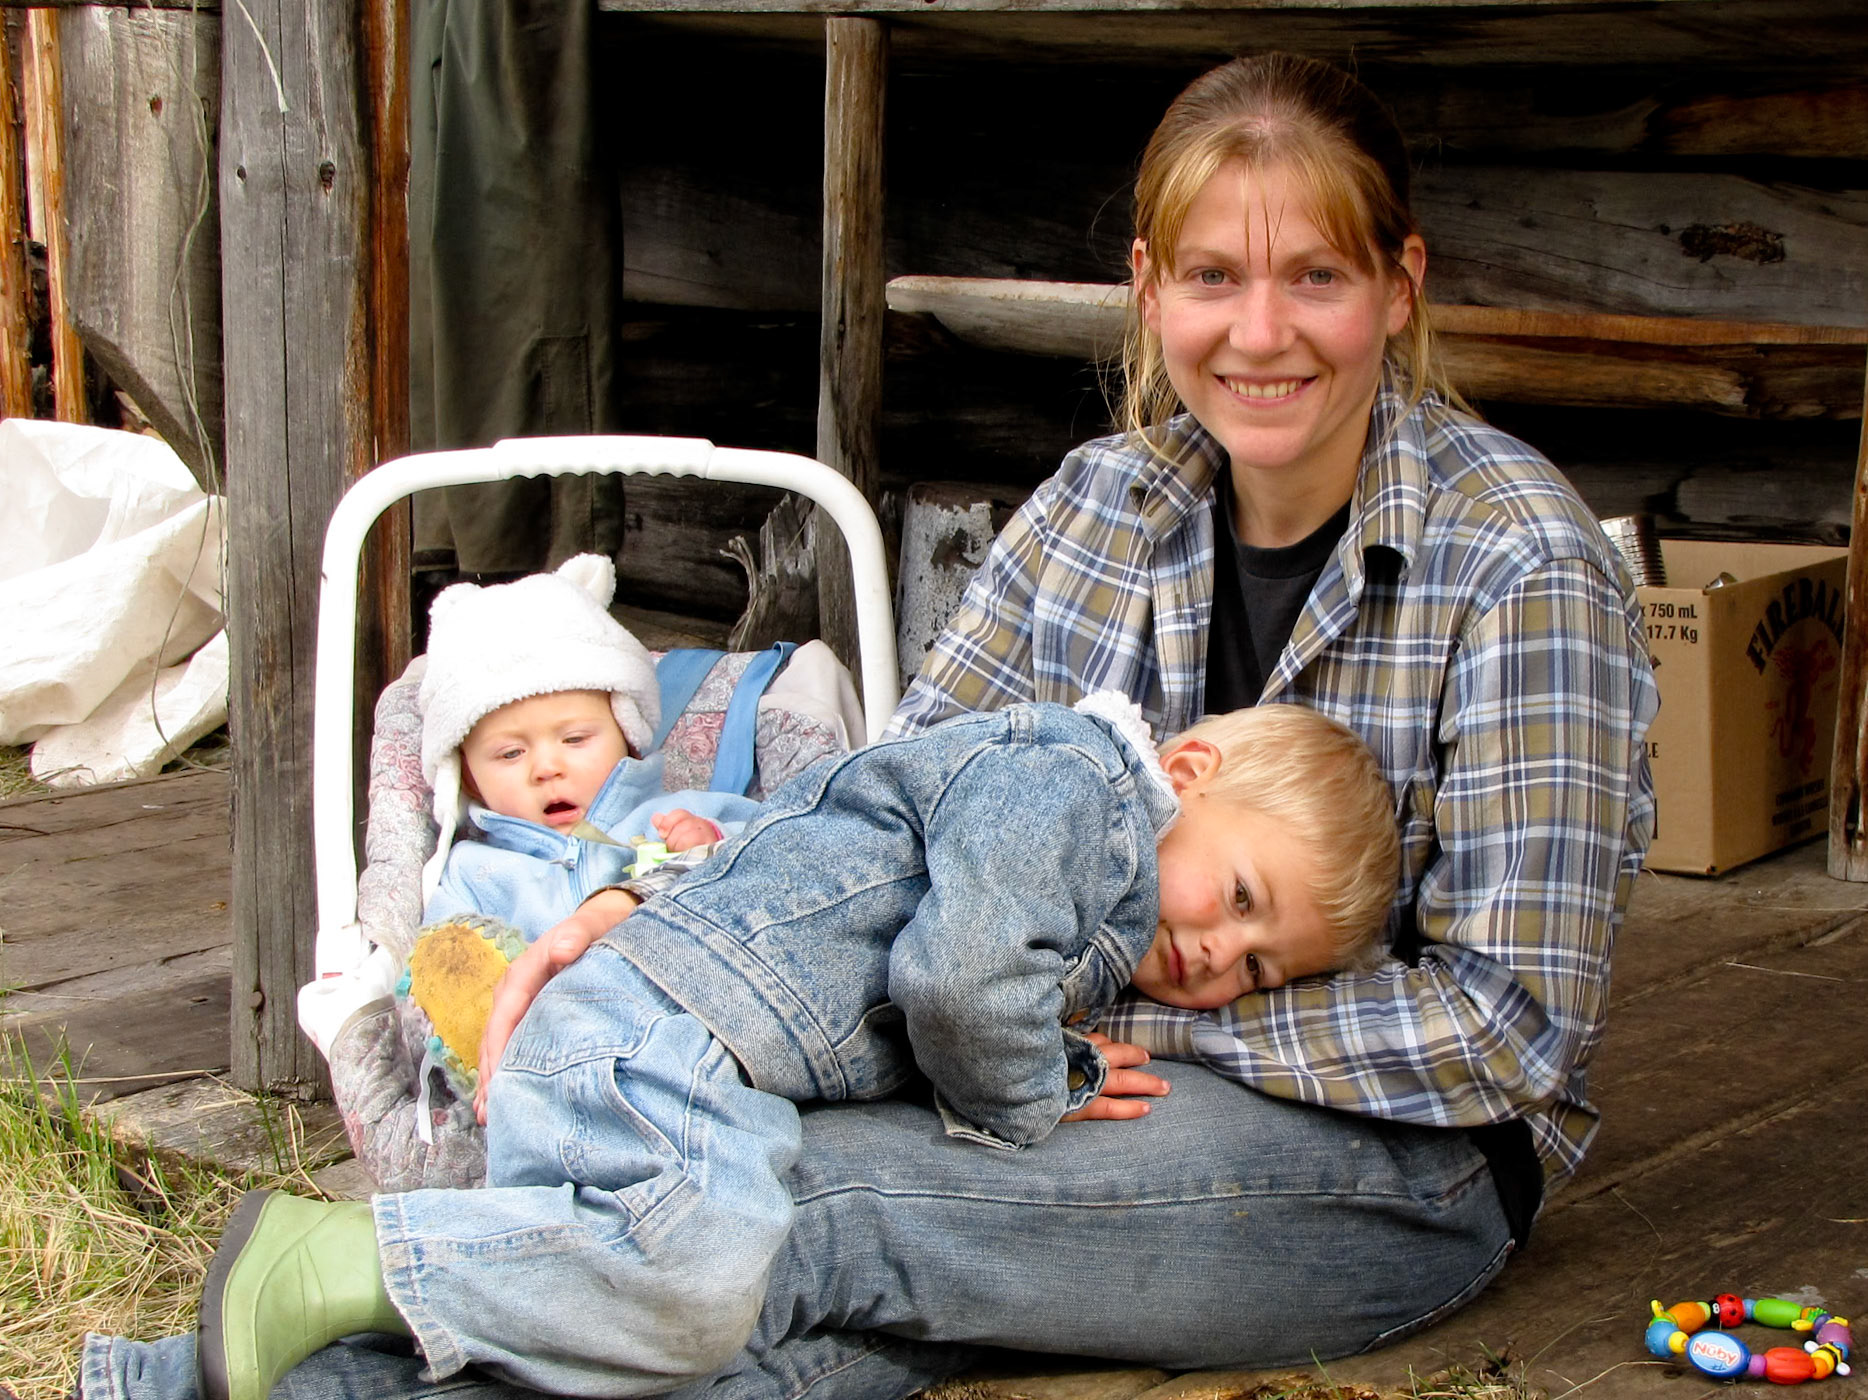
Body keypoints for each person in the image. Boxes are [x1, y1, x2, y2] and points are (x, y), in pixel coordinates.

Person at [77, 49, 1657, 1400]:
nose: (1262, 333)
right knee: (800, 1283)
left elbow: (1503, 1028)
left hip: (1386, 1155)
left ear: (1400, 283)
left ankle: (285, 1330)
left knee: (802, 1210)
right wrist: (649, 912)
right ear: (1150, 291)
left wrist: (1096, 1025)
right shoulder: (1104, 504)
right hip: (1019, 1059)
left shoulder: (1517, 563)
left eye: (1316, 275)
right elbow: (884, 797)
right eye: (1215, 277)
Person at [197, 695, 1399, 1400]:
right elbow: (961, 981)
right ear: (1186, 771)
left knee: (613, 1299)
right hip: (660, 1024)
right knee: (708, 1267)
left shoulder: (1099, 872)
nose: (1215, 954)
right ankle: (351, 1252)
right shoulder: (1073, 786)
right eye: (1239, 896)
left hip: (705, 1057)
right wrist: (1040, 1089)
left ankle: (223, 1359)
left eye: (1259, 967)